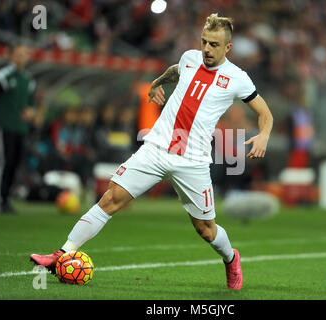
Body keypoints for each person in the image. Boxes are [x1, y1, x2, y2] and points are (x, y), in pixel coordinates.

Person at [30, 13, 273, 291]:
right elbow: (176, 69)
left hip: (192, 160)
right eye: (204, 42)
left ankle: (231, 259)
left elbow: (265, 112)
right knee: (111, 198)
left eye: (214, 45)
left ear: (227, 48)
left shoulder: (237, 78)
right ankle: (62, 254)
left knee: (205, 229)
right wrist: (158, 82)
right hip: (156, 148)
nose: (207, 49)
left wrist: (263, 135)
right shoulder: (190, 57)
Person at [0, 43, 36, 214]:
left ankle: (6, 198)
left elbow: (31, 104)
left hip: (21, 128)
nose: (22, 57)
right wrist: (1, 116)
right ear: (11, 56)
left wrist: (30, 112)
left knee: (15, 163)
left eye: (24, 54)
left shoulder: (29, 80)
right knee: (4, 162)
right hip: (5, 125)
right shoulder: (2, 76)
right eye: (19, 54)